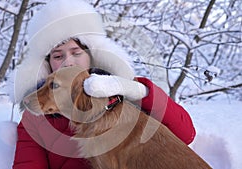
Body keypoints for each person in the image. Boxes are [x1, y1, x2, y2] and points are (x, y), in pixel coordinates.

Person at [11, 0, 196, 169]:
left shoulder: (125, 94)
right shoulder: (35, 116)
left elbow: (186, 134)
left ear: (92, 55)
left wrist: (138, 90)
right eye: (58, 56)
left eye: (76, 53)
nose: (68, 62)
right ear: (47, 63)